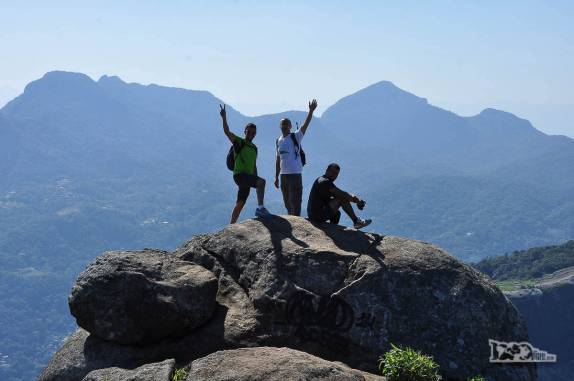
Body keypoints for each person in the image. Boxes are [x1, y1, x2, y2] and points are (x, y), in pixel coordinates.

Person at [219, 104, 271, 223]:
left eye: (253, 133)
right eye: (249, 132)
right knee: (262, 182)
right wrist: (224, 117)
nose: (251, 134)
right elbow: (227, 132)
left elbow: (253, 165)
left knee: (240, 203)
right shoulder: (239, 142)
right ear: (245, 132)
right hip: (239, 175)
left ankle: (231, 226)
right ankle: (260, 209)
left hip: (247, 177)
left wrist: (255, 178)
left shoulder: (254, 148)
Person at [274, 99, 318, 216]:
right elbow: (278, 159)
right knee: (287, 202)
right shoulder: (278, 140)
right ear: (280, 126)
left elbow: (305, 125)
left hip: (295, 173)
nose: (284, 125)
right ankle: (291, 220)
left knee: (295, 200)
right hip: (283, 175)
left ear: (290, 126)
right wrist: (276, 177)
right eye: (282, 124)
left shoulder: (296, 136)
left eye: (286, 124)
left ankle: (297, 221)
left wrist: (311, 111)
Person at [307, 163, 372, 229]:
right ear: (327, 170)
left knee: (337, 214)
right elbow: (342, 194)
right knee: (341, 199)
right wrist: (357, 200)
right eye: (332, 172)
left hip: (314, 214)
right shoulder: (325, 182)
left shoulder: (322, 180)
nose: (334, 175)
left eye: (336, 174)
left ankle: (331, 229)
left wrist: (356, 199)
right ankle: (356, 221)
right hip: (317, 215)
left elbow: (339, 194)